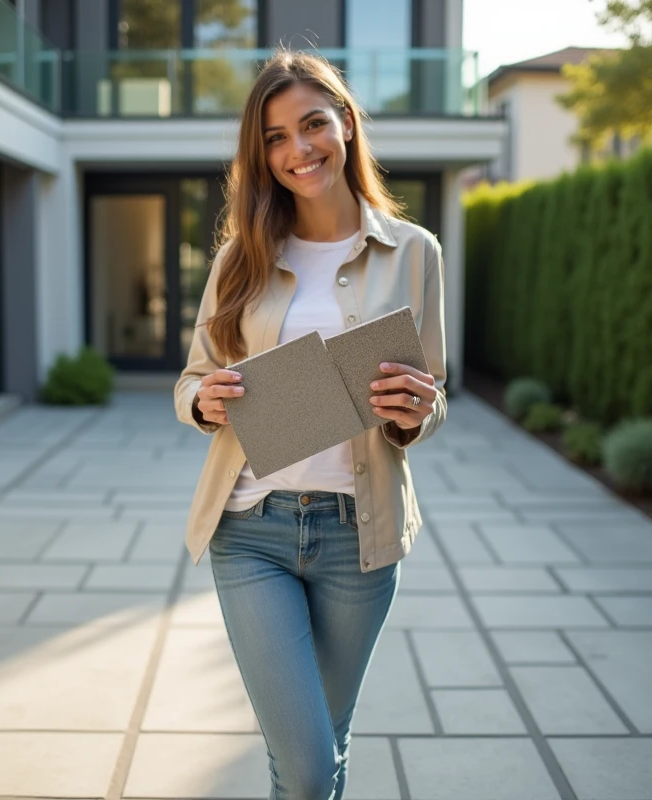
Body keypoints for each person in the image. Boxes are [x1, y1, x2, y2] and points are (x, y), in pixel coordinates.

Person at [172, 48, 448, 800]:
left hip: (359, 537)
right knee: (306, 762)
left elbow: (432, 392)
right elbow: (193, 378)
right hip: (251, 527)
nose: (299, 150)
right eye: (275, 137)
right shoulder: (240, 259)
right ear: (260, 155)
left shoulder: (414, 252)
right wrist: (206, 399)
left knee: (324, 745)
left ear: (347, 126)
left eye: (313, 125)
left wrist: (412, 412)